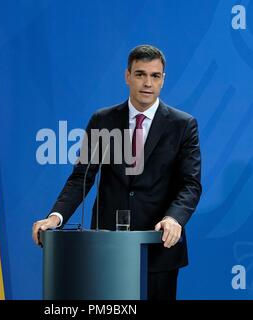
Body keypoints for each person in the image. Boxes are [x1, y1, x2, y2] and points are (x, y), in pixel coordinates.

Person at [32, 44, 202, 300]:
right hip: (106, 247)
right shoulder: (103, 120)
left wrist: (174, 219)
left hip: (158, 248)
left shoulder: (183, 125)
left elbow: (190, 184)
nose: (147, 83)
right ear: (127, 76)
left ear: (163, 80)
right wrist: (55, 217)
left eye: (155, 76)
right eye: (140, 74)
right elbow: (82, 177)